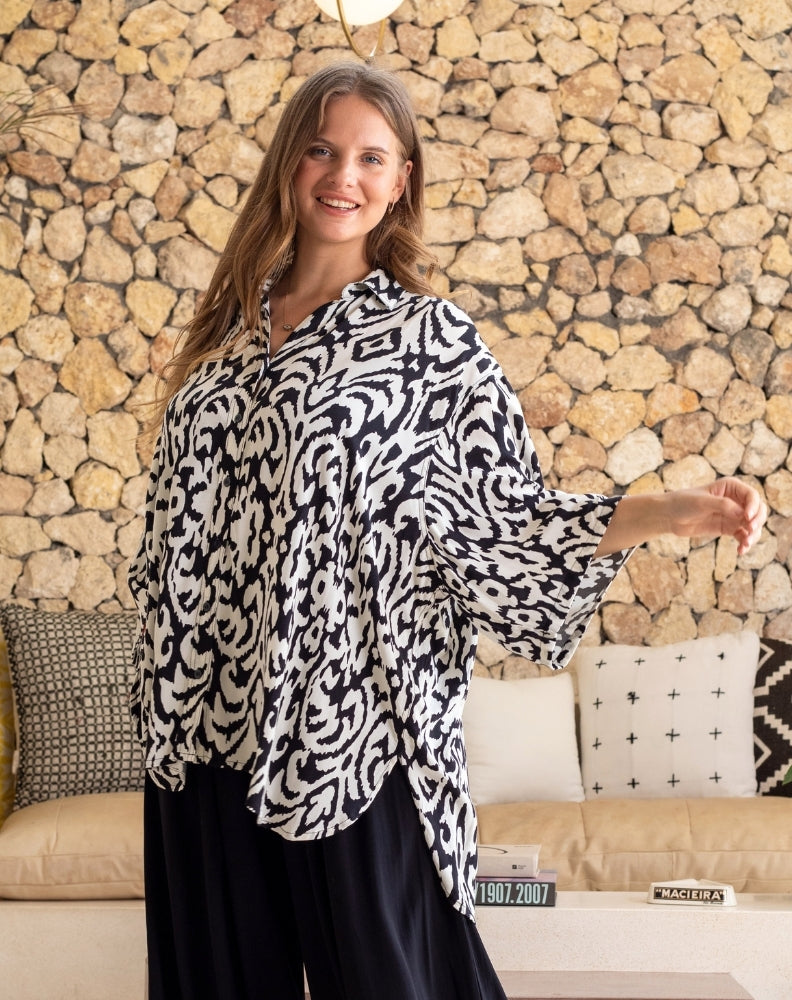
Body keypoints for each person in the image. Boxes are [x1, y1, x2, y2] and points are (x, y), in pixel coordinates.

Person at [129, 62, 766, 1000]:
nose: (341, 174)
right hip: (203, 715)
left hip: (353, 723)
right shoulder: (226, 331)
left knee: (397, 978)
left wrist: (666, 511)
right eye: (321, 149)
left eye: (370, 157)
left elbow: (508, 522)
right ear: (288, 166)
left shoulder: (430, 344)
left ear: (400, 183)